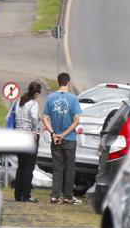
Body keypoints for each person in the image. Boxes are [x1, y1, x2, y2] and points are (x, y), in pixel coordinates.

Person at [41, 72, 82, 205]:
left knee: (57, 168)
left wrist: (54, 133)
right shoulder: (73, 99)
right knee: (69, 168)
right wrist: (63, 135)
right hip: (69, 138)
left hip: (55, 138)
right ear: (68, 83)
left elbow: (44, 118)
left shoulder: (51, 98)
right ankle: (68, 196)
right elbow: (77, 121)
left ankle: (55, 196)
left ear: (58, 82)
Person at [12, 81, 42, 203]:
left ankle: (17, 194)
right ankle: (26, 195)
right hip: (29, 137)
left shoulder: (19, 102)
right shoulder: (33, 104)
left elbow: (9, 116)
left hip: (18, 137)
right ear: (36, 93)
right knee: (29, 167)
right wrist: (35, 130)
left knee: (21, 166)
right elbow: (34, 117)